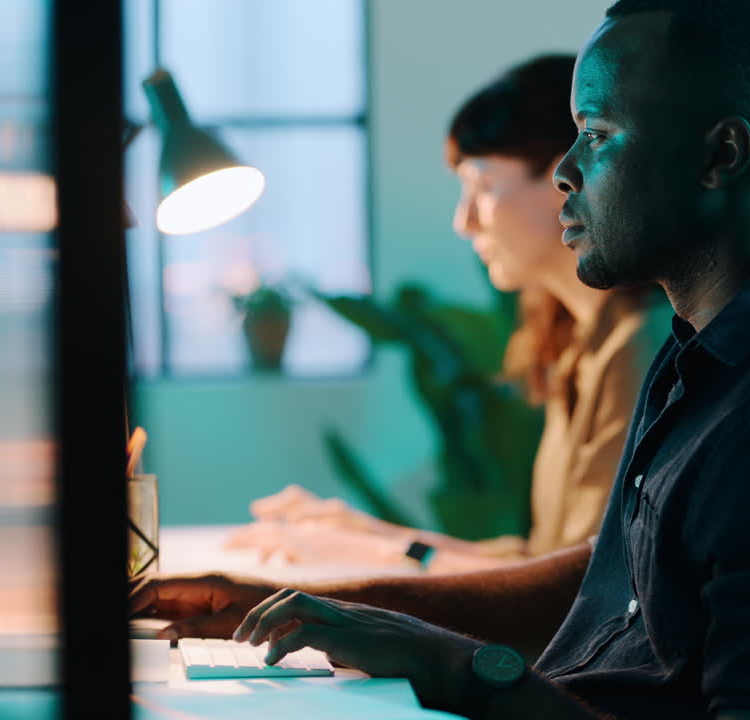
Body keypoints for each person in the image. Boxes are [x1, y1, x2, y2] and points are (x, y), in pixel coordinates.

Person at [131, 2, 750, 717]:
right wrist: (343, 608)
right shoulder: (737, 331)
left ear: (721, 154)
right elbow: (617, 585)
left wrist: (456, 667)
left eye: (595, 130)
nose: (563, 168)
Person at [226, 54, 672, 573]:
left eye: (482, 188)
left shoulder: (639, 347)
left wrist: (375, 554)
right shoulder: (578, 347)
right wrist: (377, 536)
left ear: (567, 177)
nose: (464, 222)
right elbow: (541, 560)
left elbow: (578, 590)